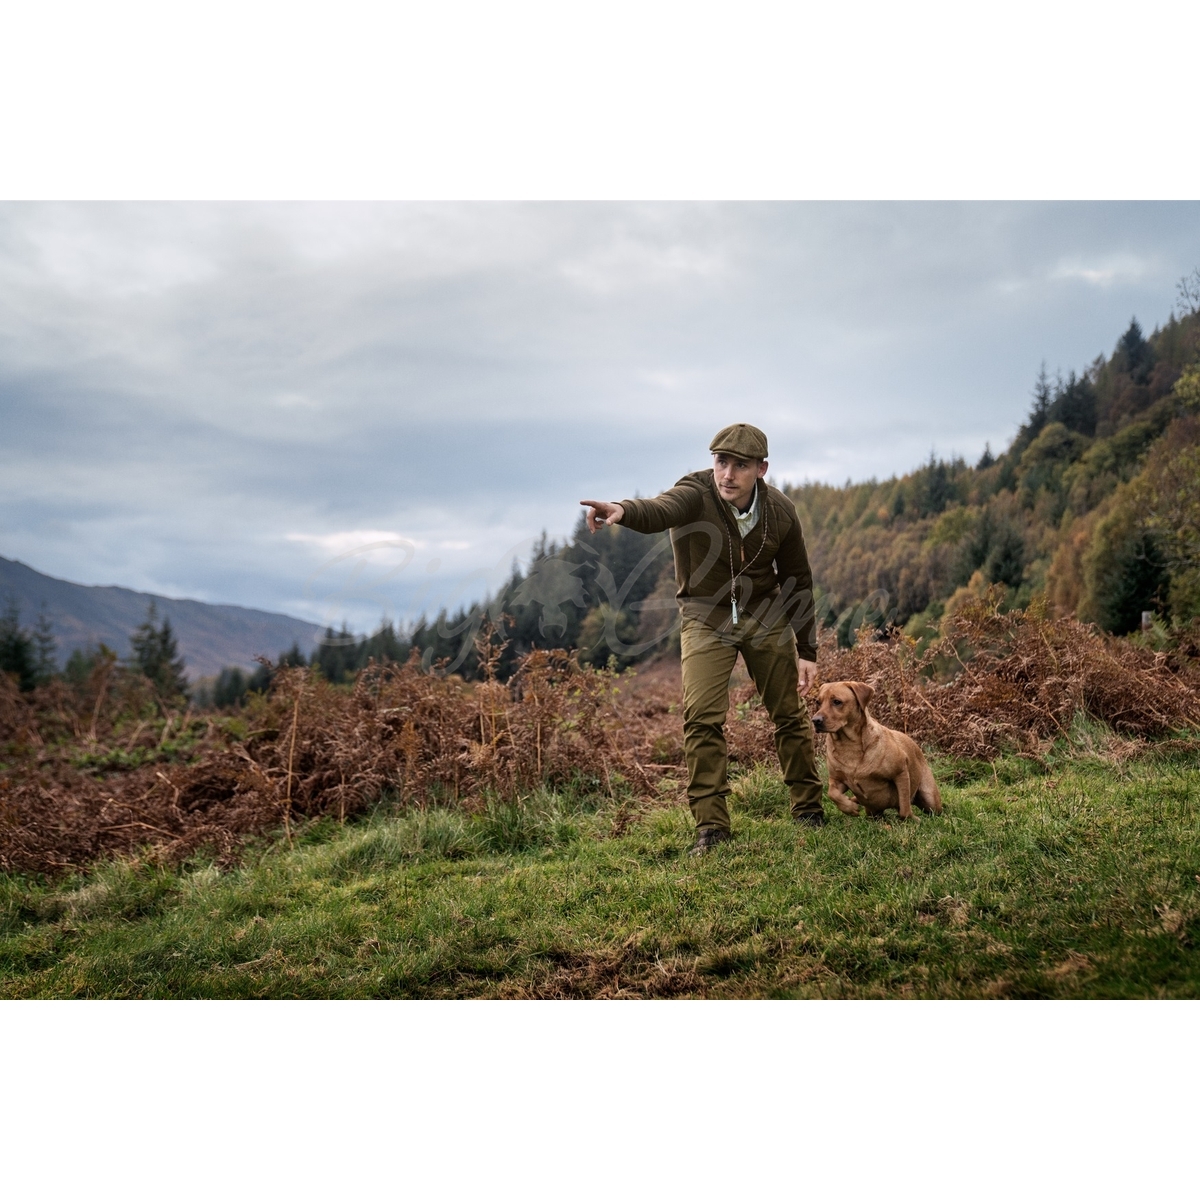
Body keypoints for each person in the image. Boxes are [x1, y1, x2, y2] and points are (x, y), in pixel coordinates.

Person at [580, 423, 825, 856]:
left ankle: (808, 809)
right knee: (701, 718)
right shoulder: (695, 492)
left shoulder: (781, 512)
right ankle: (712, 827)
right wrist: (622, 510)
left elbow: (797, 580)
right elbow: (660, 509)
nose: (727, 474)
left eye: (740, 465)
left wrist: (807, 649)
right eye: (721, 462)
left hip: (765, 614)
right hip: (704, 617)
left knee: (789, 714)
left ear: (761, 469)